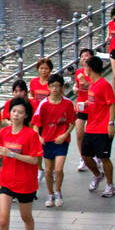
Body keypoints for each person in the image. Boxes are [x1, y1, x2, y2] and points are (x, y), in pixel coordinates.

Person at [0, 96, 43, 230]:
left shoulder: (31, 135)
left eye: (20, 112)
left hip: (26, 181)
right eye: (14, 111)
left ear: (26, 115)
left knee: (25, 217)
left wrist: (12, 154)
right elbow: (1, 152)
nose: (16, 115)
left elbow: (35, 160)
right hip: (6, 180)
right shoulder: (4, 133)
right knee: (3, 219)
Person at [33, 74, 75, 208]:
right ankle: (50, 193)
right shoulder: (43, 104)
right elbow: (36, 124)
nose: (55, 89)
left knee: (59, 169)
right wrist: (39, 137)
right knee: (48, 171)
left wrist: (65, 135)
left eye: (57, 86)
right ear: (48, 88)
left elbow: (71, 122)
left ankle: (58, 191)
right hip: (47, 141)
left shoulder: (68, 103)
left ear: (62, 87)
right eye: (52, 86)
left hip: (61, 141)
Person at [81, 55, 115, 197]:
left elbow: (112, 104)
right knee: (85, 156)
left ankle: (110, 185)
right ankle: (97, 174)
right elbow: (95, 102)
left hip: (102, 129)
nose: (84, 69)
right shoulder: (92, 84)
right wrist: (85, 105)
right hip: (90, 127)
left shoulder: (104, 85)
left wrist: (111, 123)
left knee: (104, 158)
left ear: (89, 68)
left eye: (85, 66)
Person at [72, 48, 95, 172]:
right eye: (83, 56)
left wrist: (84, 81)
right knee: (79, 133)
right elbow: (76, 85)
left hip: (93, 106)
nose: (85, 58)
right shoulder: (78, 72)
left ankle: (94, 156)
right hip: (80, 106)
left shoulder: (95, 73)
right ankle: (83, 158)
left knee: (91, 134)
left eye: (87, 56)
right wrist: (75, 87)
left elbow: (96, 88)